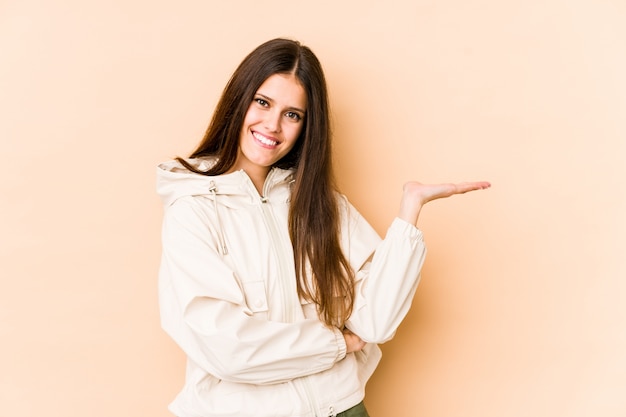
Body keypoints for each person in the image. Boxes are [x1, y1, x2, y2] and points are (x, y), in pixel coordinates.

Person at [156, 38, 490, 417]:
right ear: (239, 99)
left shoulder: (320, 204)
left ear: (306, 126)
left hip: (343, 408)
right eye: (262, 102)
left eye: (292, 114)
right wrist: (335, 344)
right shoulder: (193, 207)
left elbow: (375, 322)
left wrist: (409, 214)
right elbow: (226, 348)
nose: (273, 125)